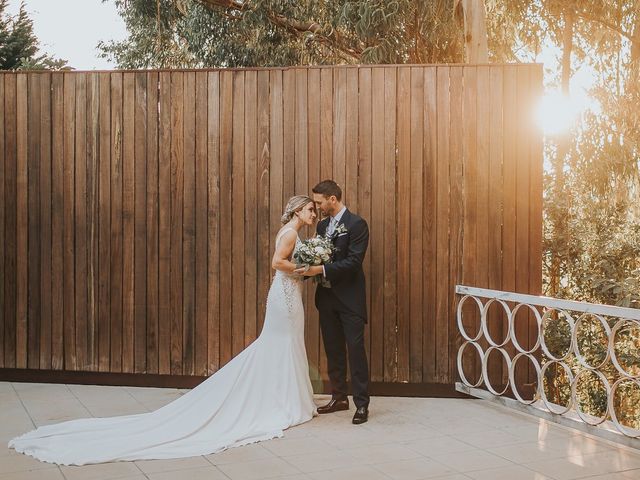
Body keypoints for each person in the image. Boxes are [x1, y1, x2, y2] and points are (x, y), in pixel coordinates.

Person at [9, 196, 318, 466]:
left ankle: (285, 397)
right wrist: (305, 269)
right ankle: (282, 402)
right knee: (279, 344)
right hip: (285, 298)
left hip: (288, 295)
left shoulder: (291, 232)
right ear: (296, 211)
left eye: (314, 211)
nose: (313, 215)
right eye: (309, 210)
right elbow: (277, 262)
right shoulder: (290, 233)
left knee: (284, 345)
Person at [295, 180, 370, 425]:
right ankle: (339, 397)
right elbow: (320, 252)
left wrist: (319, 268)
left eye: (319, 202)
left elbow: (353, 263)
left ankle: (361, 404)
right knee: (333, 349)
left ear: (332, 199)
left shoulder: (357, 225)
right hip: (326, 299)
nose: (316, 208)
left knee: (355, 351)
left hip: (350, 300)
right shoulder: (323, 225)